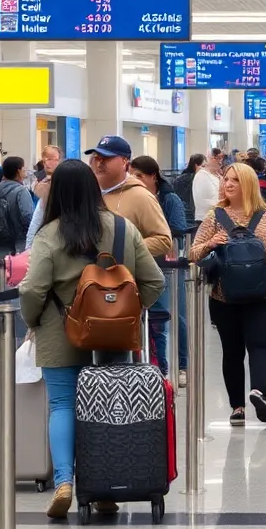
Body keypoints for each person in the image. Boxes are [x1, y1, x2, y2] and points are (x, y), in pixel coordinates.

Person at [18, 160, 165, 518]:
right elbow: (154, 281)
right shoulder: (123, 228)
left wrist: (33, 319)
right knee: (110, 407)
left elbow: (33, 289)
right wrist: (127, 313)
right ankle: (106, 485)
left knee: (63, 406)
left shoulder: (49, 235)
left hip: (59, 330)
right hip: (115, 333)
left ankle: (65, 481)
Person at [189, 162, 266, 426]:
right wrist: (210, 243)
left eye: (235, 180)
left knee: (258, 344)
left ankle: (258, 392)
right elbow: (193, 252)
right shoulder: (215, 216)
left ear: (247, 184)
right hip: (225, 296)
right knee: (232, 351)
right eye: (226, 179)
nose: (228, 184)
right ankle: (237, 407)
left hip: (264, 295)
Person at [86, 136, 174, 370]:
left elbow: (164, 239)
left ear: (125, 162)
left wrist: (125, 251)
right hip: (87, 290)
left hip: (120, 291)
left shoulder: (140, 196)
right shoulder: (91, 193)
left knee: (117, 361)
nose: (99, 163)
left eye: (106, 158)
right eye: (96, 157)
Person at [130, 155, 191, 386]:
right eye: (132, 175)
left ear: (153, 176)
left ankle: (183, 365)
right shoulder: (132, 198)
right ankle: (157, 365)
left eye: (140, 176)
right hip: (140, 264)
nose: (135, 180)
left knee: (176, 316)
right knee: (154, 318)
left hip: (166, 266)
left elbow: (178, 231)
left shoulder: (169, 199)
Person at [0, 156, 33, 262]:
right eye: (23, 168)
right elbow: (27, 217)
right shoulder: (21, 191)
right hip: (17, 243)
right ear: (18, 170)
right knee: (16, 275)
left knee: (1, 274)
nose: (25, 170)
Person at [172, 153, 205, 227]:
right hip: (193, 216)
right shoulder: (198, 180)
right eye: (203, 166)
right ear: (197, 166)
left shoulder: (179, 178)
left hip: (180, 215)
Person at [192, 151, 221, 223]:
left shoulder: (218, 176)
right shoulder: (202, 175)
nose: (220, 161)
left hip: (218, 217)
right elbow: (202, 201)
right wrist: (224, 204)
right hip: (205, 218)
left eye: (221, 158)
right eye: (215, 158)